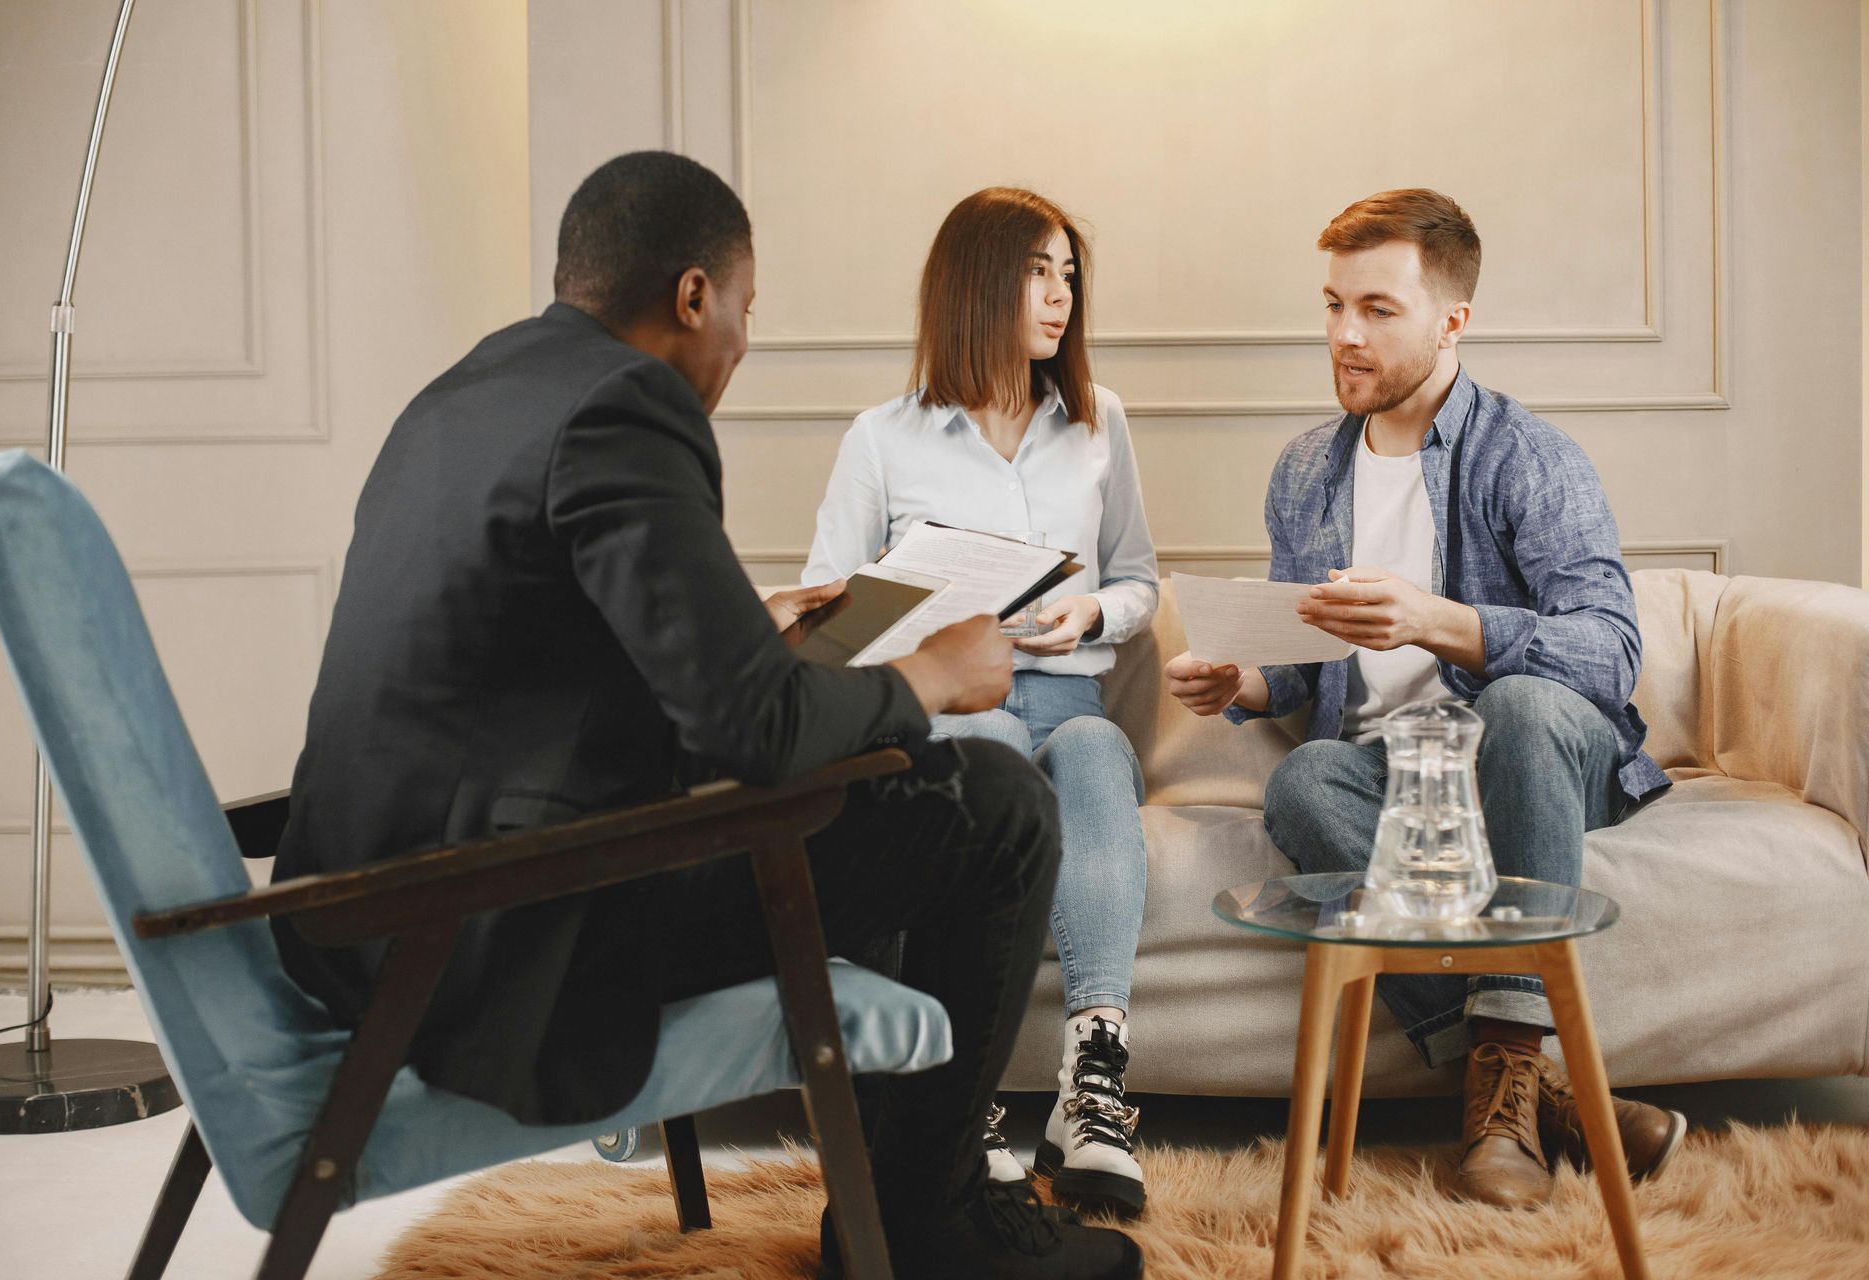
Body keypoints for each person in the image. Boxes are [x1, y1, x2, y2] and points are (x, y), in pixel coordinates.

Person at [272, 151, 1141, 1280]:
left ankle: (882, 1198)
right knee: (999, 804)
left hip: (369, 915)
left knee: (882, 785)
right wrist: (930, 671)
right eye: (743, 309)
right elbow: (757, 734)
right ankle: (931, 1224)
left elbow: (534, 669)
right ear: (692, 295)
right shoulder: (627, 404)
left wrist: (752, 627)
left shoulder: (464, 393)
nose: (741, 340)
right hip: (505, 937)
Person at [1163, 189, 1687, 1208]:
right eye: (1332, 305)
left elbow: (1608, 651)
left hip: (1532, 755)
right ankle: (1533, 1089)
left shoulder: (1527, 457)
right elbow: (1313, 666)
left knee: (1527, 710)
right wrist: (1245, 679)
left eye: (1377, 309)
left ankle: (1503, 1093)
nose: (1345, 335)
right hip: (1398, 772)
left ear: (1453, 319)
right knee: (1306, 779)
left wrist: (1436, 619)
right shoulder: (1308, 470)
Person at [805, 187, 1159, 1219]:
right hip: (959, 702)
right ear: (975, 283)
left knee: (1093, 746)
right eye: (1038, 272)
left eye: (1069, 275)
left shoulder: (1100, 422)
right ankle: (968, 1107)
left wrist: (1090, 610)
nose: (1060, 297)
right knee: (988, 740)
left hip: (1069, 690)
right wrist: (932, 628)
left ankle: (1092, 1088)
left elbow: (1141, 579)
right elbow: (829, 613)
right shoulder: (882, 438)